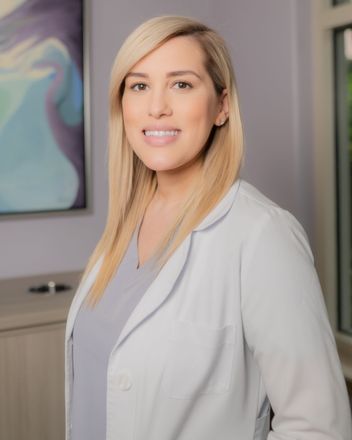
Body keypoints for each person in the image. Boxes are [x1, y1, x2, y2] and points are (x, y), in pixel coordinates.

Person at [65, 15, 352, 440]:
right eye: (139, 85)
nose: (156, 106)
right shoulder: (124, 226)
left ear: (221, 107)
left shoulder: (262, 235)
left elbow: (318, 428)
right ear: (121, 104)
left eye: (181, 84)